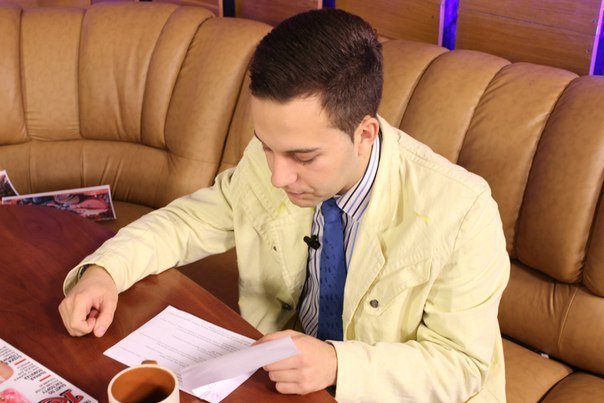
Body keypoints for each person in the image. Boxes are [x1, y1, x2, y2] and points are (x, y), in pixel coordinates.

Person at [59, 9, 510, 402]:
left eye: (303, 157)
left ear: (364, 135)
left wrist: (337, 364)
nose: (278, 176)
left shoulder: (464, 211)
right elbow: (188, 223)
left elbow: (462, 366)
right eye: (266, 145)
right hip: (280, 376)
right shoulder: (275, 158)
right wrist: (105, 272)